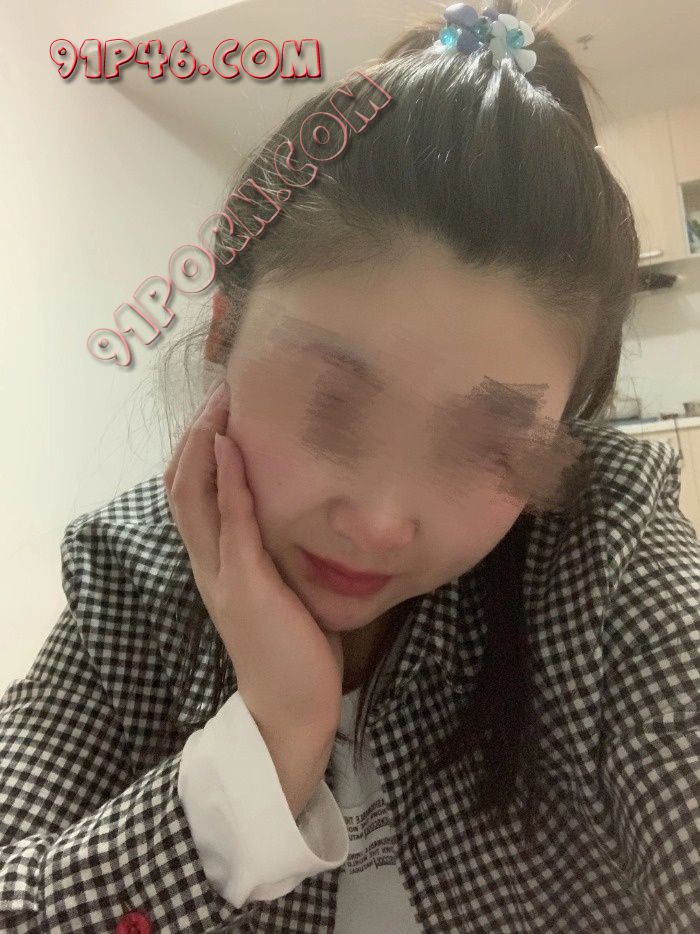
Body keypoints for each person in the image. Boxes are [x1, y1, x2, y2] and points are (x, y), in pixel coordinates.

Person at [1, 2, 698, 931]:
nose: (378, 521)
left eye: (490, 445)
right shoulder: (130, 579)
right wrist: (267, 742)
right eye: (330, 403)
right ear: (223, 331)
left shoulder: (604, 550)